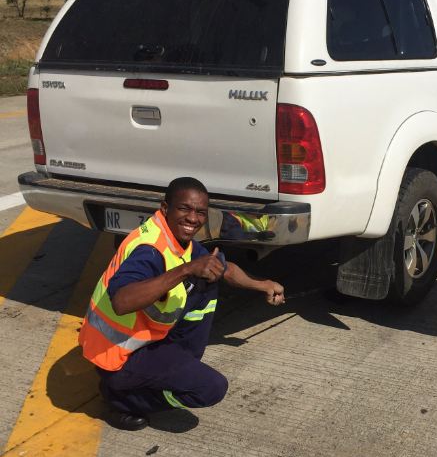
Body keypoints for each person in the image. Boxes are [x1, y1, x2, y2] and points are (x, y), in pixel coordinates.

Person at [79, 177, 285, 430]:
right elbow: (122, 301)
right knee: (210, 389)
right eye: (184, 209)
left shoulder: (176, 241)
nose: (193, 218)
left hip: (144, 341)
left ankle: (162, 370)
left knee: (207, 278)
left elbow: (224, 268)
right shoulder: (150, 249)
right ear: (165, 209)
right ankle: (122, 397)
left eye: (200, 212)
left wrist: (263, 284)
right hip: (117, 355)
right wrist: (186, 270)